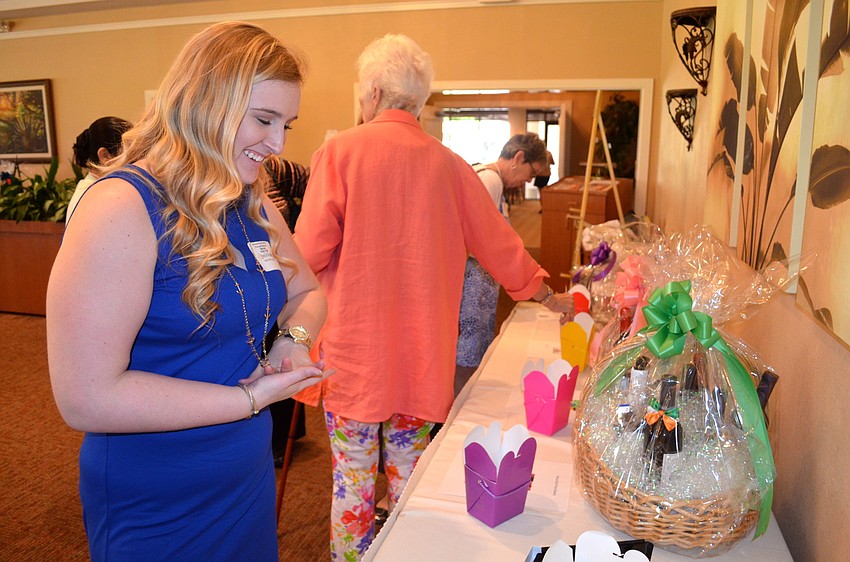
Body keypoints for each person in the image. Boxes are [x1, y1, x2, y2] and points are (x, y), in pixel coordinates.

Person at [46, 21, 331, 562]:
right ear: (206, 103)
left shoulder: (249, 197)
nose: (278, 144)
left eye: (286, 124)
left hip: (243, 468)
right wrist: (249, 398)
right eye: (265, 120)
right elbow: (85, 398)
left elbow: (307, 292)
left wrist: (292, 340)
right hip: (159, 489)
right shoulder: (122, 207)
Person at [292, 34, 573, 561]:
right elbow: (501, 246)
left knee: (352, 485)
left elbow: (308, 253)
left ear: (373, 92)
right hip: (422, 357)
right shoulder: (451, 166)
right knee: (410, 477)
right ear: (417, 101)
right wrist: (544, 293)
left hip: (354, 356)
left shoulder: (339, 153)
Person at [455, 133, 549, 395]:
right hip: (473, 280)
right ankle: (458, 407)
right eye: (532, 172)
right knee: (467, 352)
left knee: (474, 348)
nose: (529, 180)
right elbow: (481, 240)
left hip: (480, 280)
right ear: (518, 158)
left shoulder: (489, 178)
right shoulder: (490, 180)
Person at [67, 115, 132, 222]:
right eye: (130, 156)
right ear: (105, 156)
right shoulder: (95, 197)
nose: (136, 164)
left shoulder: (93, 189)